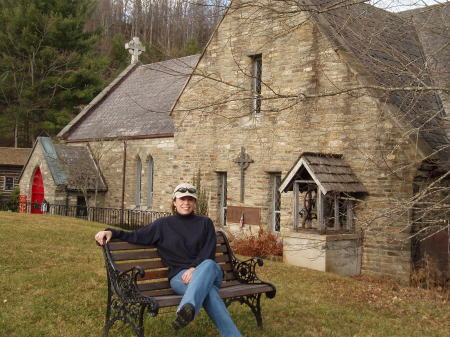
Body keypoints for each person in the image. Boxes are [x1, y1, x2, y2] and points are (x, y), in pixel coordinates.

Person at [94, 183, 243, 337]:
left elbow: (209, 251)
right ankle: (198, 315)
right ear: (174, 202)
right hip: (180, 278)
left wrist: (194, 269)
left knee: (209, 264)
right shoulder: (163, 225)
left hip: (209, 273)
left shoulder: (205, 223)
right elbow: (136, 235)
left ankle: (186, 308)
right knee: (209, 293)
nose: (186, 203)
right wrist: (110, 231)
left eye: (190, 199)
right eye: (182, 199)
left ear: (194, 202)